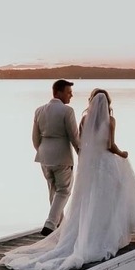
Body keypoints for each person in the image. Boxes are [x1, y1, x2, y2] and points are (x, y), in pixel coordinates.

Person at [2, 89, 135, 270]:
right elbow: (110, 145)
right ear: (107, 103)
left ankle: (84, 232)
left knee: (88, 200)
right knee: (110, 197)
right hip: (105, 163)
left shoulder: (84, 119)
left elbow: (82, 143)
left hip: (90, 165)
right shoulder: (111, 121)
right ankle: (106, 234)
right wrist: (123, 154)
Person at [33, 79, 80, 236]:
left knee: (53, 191)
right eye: (68, 92)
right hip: (62, 156)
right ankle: (51, 224)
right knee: (64, 191)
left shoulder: (39, 110)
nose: (71, 96)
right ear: (58, 92)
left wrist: (42, 151)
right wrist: (82, 154)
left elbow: (35, 138)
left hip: (44, 156)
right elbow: (74, 137)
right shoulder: (67, 111)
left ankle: (60, 225)